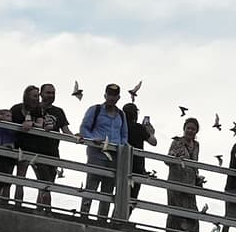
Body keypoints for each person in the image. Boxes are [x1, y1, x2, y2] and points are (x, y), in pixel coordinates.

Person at [13, 82, 71, 206]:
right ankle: (19, 205)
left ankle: (42, 210)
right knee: (24, 179)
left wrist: (77, 137)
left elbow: (66, 131)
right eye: (48, 92)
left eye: (53, 93)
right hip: (33, 148)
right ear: (41, 94)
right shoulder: (33, 108)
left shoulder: (58, 111)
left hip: (52, 151)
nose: (51, 95)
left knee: (47, 185)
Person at [78, 84, 129, 219]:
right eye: (109, 95)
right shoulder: (95, 110)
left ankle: (102, 219)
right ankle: (84, 216)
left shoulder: (121, 115)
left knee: (108, 190)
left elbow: (124, 135)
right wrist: (92, 139)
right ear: (105, 95)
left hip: (114, 157)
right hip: (96, 154)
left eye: (114, 95)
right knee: (91, 187)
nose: (112, 98)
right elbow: (84, 128)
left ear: (118, 97)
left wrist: (120, 146)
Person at [164, 118, 201, 232]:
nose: (190, 131)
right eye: (188, 128)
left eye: (193, 129)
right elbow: (167, 160)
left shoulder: (196, 145)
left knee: (191, 212)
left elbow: (195, 163)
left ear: (196, 131)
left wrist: (198, 177)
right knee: (175, 211)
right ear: (184, 129)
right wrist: (173, 157)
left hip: (190, 182)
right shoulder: (177, 142)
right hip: (176, 180)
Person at [122, 103, 157, 201]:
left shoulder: (120, 126)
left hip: (121, 164)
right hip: (137, 167)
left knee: (120, 197)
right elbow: (153, 142)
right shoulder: (139, 128)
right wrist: (151, 132)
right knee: (131, 199)